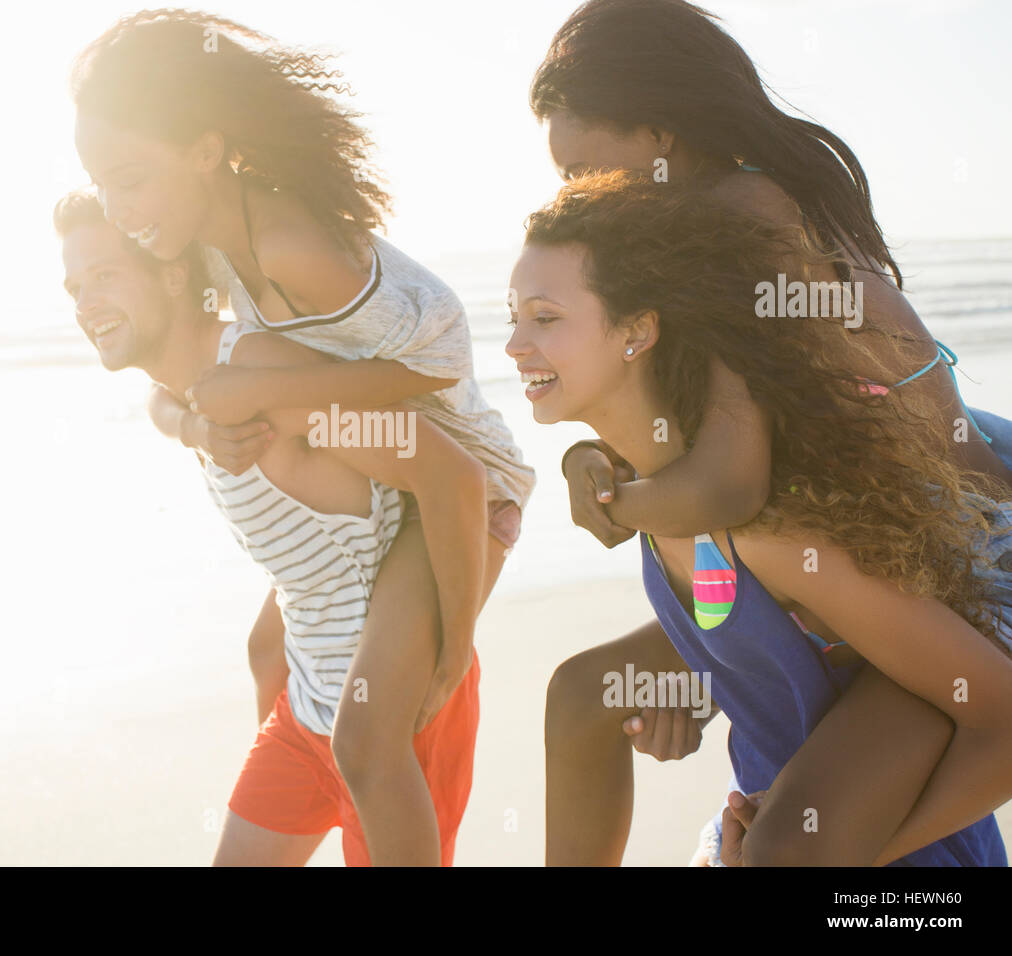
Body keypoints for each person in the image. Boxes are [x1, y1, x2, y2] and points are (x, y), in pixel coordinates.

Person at [528, 0, 1012, 864]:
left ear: (658, 132)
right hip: (858, 547)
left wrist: (618, 500)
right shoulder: (692, 233)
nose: (572, 198)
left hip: (970, 555)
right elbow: (676, 413)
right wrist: (594, 461)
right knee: (583, 699)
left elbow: (731, 481)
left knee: (794, 842)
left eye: (582, 171)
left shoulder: (743, 215)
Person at [67, 10, 535, 864]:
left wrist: (455, 641)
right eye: (103, 185)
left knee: (368, 739)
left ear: (205, 151)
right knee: (266, 649)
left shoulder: (288, 242)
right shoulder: (205, 247)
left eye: (130, 179)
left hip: (466, 471)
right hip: (395, 455)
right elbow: (176, 376)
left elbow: (436, 364)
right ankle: (293, 781)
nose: (120, 210)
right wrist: (198, 417)